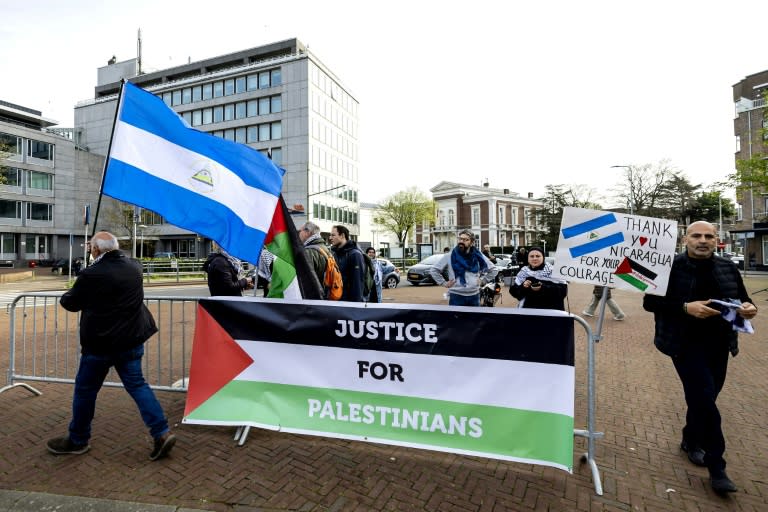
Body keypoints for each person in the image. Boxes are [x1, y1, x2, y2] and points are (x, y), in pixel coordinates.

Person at [643, 221, 758, 494]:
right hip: (683, 344)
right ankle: (716, 466)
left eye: (709, 236)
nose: (702, 240)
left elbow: (743, 298)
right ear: (686, 239)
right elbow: (650, 302)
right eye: (697, 235)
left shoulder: (728, 267)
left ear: (717, 239)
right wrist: (685, 307)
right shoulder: (669, 267)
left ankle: (690, 438)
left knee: (706, 398)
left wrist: (748, 308)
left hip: (720, 344)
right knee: (704, 396)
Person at [47, 231, 176, 461]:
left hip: (100, 345)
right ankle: (162, 433)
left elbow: (70, 302)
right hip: (130, 341)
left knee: (85, 391)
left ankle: (78, 439)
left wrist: (84, 275)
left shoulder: (91, 274)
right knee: (138, 386)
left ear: (96, 250)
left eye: (92, 248)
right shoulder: (134, 267)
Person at [429, 229, 498, 307]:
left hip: (474, 296)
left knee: (474, 319)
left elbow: (494, 270)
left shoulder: (478, 256)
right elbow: (434, 270)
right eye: (460, 239)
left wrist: (483, 281)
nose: (462, 241)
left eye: (466, 240)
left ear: (472, 242)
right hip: (456, 296)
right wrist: (444, 283)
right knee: (456, 319)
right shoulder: (449, 255)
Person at [510, 246, 567, 310]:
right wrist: (523, 286)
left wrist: (543, 287)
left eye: (538, 256)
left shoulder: (554, 271)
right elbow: (514, 292)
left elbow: (563, 292)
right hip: (528, 313)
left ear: (543, 258)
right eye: (531, 256)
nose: (534, 258)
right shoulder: (523, 272)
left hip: (551, 313)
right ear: (528, 258)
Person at [330, 225, 366, 302]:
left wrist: (355, 306)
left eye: (333, 235)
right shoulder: (335, 254)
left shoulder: (355, 254)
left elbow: (357, 284)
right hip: (337, 300)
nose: (330, 238)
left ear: (342, 235)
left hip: (348, 303)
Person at [299, 221, 329, 287]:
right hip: (323, 291)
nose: (299, 234)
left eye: (300, 231)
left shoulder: (308, 252)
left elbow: (305, 279)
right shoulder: (324, 248)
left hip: (313, 293)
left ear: (307, 232)